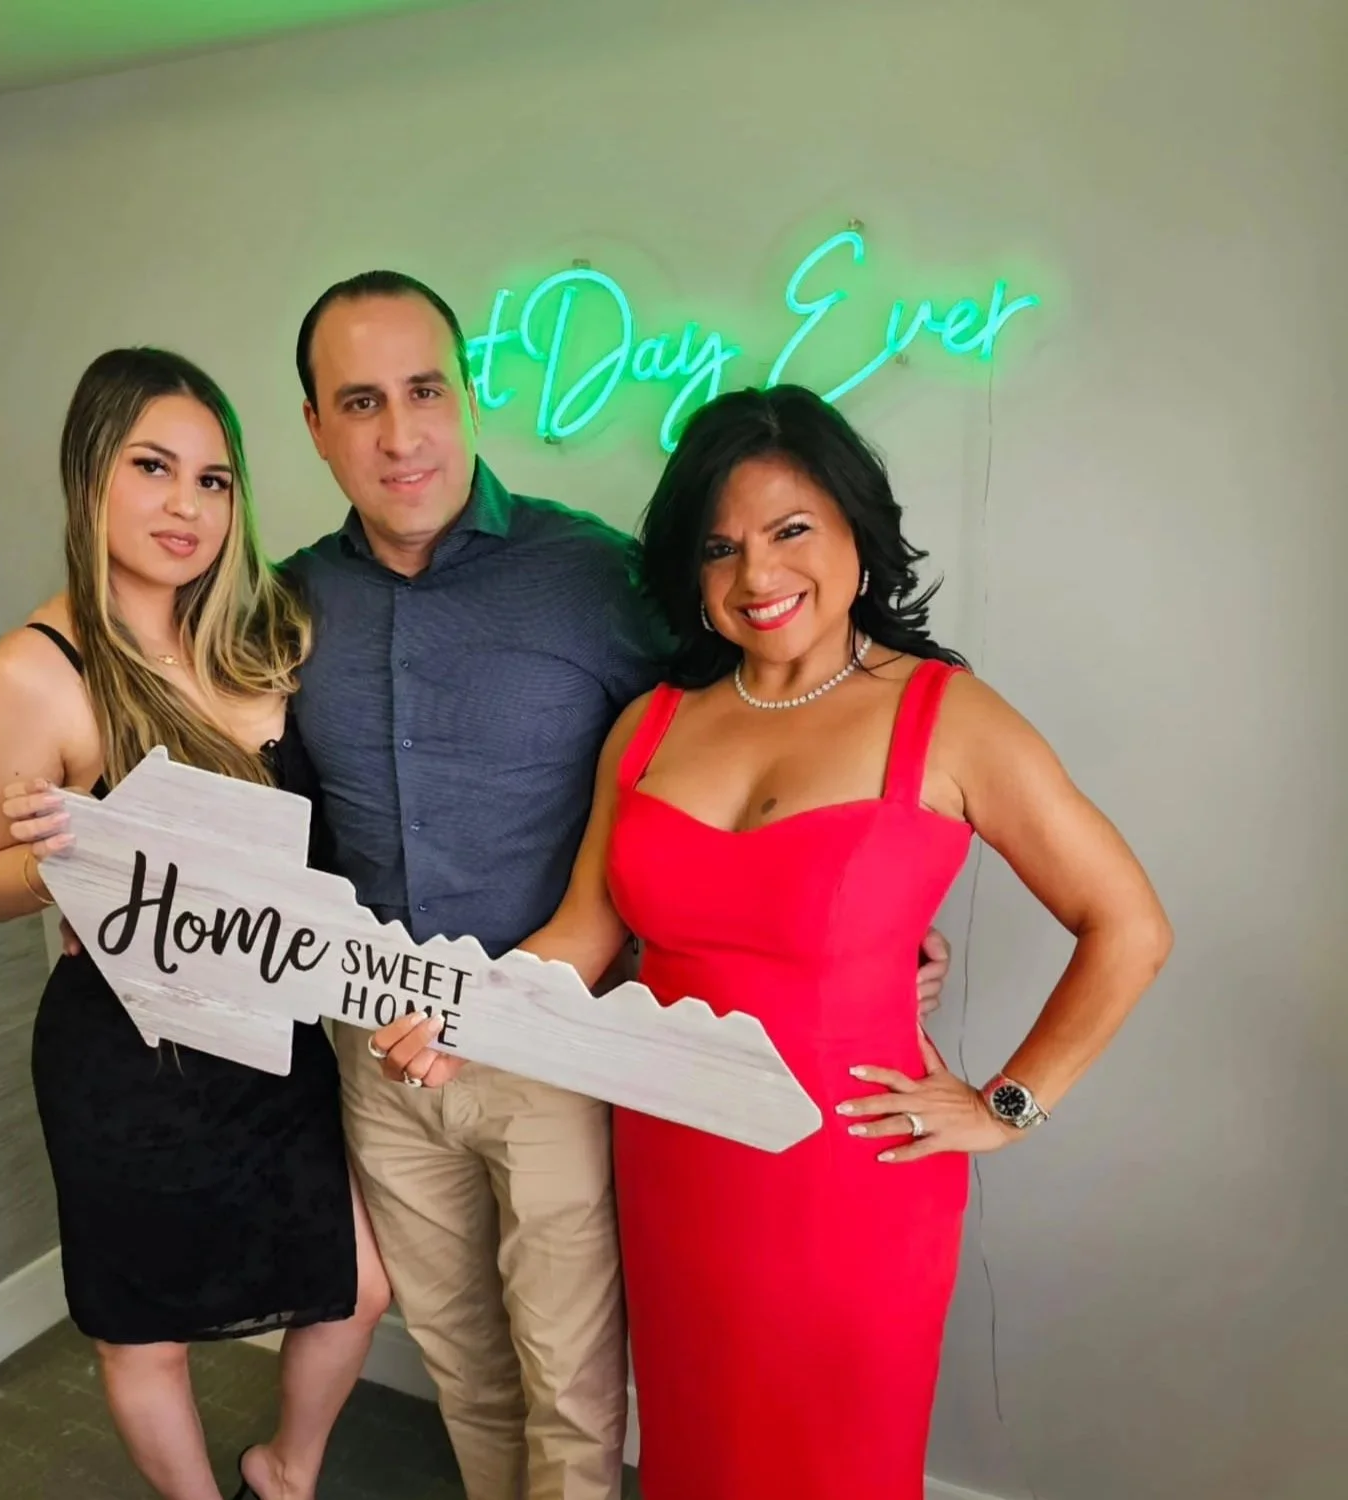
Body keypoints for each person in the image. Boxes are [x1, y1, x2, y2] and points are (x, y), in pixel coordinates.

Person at [374, 384, 1173, 1498]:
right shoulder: (650, 723)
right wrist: (469, 1012)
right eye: (720, 547)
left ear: (857, 530)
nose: (758, 576)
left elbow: (1127, 924)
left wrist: (1009, 1105)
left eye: (791, 530)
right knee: (701, 1456)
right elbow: (581, 935)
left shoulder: (949, 716)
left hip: (854, 1182)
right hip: (677, 1171)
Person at [284, 274, 951, 1499]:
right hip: (375, 1040)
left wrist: (868, 919)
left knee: (572, 1377)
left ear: (469, 395)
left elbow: (754, 715)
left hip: (554, 1043)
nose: (400, 432)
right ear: (317, 426)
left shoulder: (587, 575)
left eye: (425, 389)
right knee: (458, 1359)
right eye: (361, 401)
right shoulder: (289, 602)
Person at [0, 348, 390, 1500]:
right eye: (153, 468)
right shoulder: (34, 674)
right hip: (129, 1066)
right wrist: (65, 859)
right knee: (142, 1335)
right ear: (91, 472)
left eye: (213, 480)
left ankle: (282, 1475)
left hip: (275, 1048)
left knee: (363, 1285)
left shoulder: (264, 637)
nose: (185, 506)